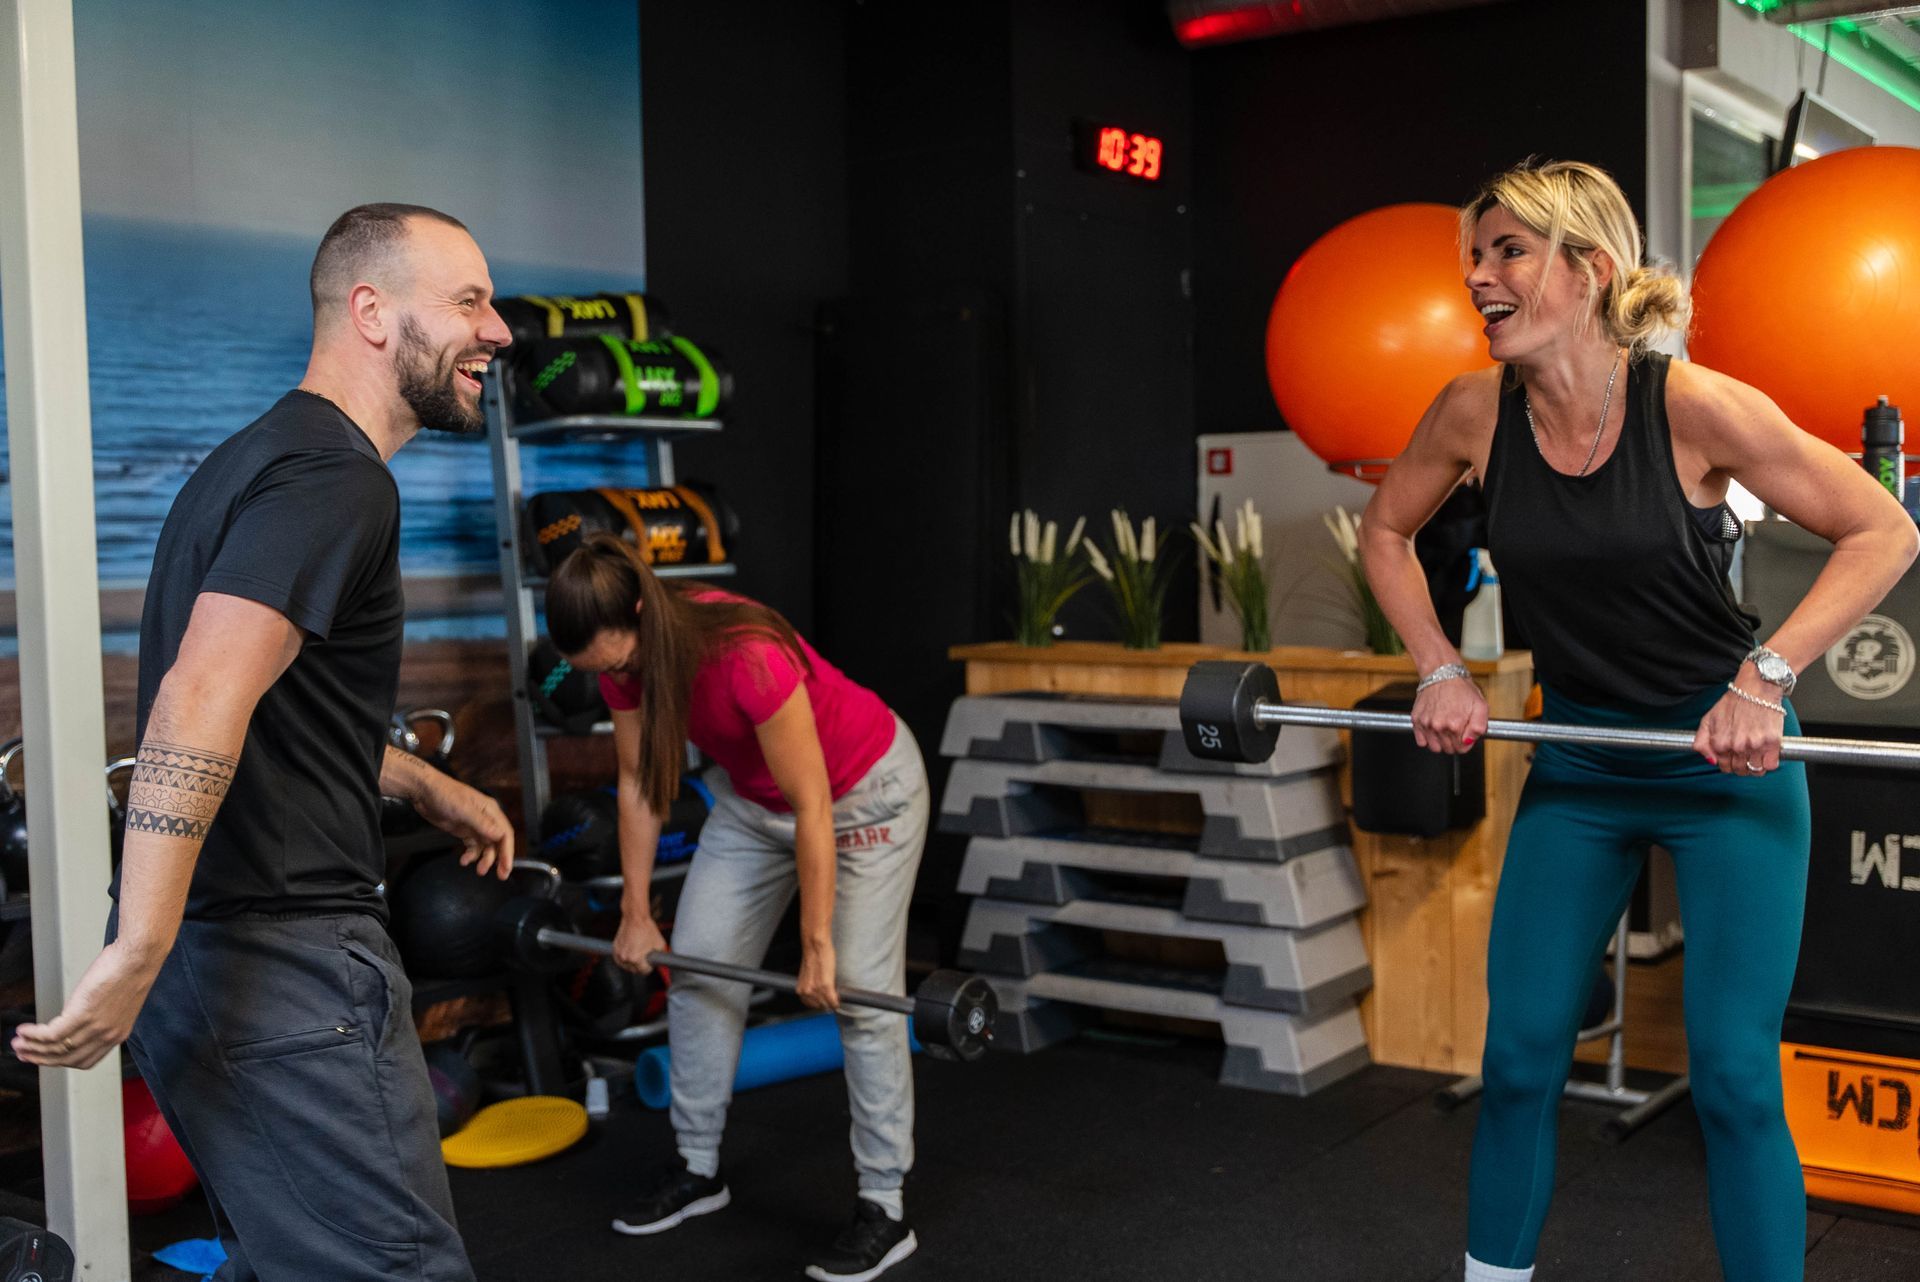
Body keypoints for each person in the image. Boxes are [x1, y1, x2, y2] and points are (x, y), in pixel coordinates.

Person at [1357, 159, 1918, 1282]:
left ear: (1589, 268)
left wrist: (1765, 677)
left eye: (1509, 251)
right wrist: (1436, 667)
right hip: (1581, 761)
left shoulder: (1695, 405)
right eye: (1476, 255)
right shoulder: (1474, 412)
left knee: (1733, 1079)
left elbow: (1885, 531)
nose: (1479, 277)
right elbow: (1384, 534)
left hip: (1726, 769)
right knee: (1518, 1059)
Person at [13, 204, 517, 1281]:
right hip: (281, 966)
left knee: (278, 1262)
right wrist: (135, 949)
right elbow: (197, 698)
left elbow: (265, 699)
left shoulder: (249, 460)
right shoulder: (340, 482)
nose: (502, 330)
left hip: (217, 966)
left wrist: (422, 781)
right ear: (372, 312)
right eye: (471, 301)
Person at [546, 532, 929, 1282]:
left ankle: (884, 1206)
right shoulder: (624, 656)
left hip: (862, 797)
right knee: (699, 971)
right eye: (603, 672)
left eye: (617, 663)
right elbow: (635, 782)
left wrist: (816, 945)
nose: (614, 678)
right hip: (754, 806)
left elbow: (814, 803)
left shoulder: (743, 653)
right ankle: (697, 1167)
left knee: (861, 998)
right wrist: (635, 910)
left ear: (637, 614)